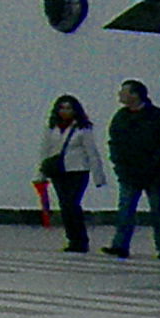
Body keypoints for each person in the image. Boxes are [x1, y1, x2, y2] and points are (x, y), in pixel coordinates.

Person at [106, 79, 160, 261]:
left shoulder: (158, 117)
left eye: (124, 92)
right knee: (125, 210)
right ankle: (120, 245)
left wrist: (155, 160)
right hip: (129, 172)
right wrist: (118, 163)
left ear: (135, 94)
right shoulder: (120, 117)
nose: (120, 95)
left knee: (158, 211)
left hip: (154, 173)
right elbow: (114, 142)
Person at [42, 95, 99, 253]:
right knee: (65, 206)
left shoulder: (82, 128)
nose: (65, 111)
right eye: (62, 108)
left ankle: (81, 239)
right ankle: (72, 239)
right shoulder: (52, 127)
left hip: (78, 170)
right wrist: (41, 173)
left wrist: (98, 174)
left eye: (68, 108)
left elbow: (91, 151)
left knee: (72, 204)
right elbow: (45, 150)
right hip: (58, 171)